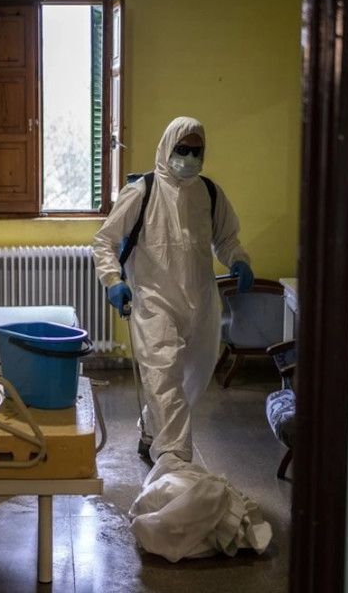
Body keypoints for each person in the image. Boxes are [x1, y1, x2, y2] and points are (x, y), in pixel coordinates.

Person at [92, 116, 253, 463]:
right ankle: (175, 463)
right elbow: (104, 240)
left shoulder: (209, 193)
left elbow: (226, 239)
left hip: (201, 303)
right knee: (163, 377)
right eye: (183, 149)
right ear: (167, 147)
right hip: (154, 302)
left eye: (197, 151)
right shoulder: (142, 192)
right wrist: (113, 281)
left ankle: (152, 431)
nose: (190, 158)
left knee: (187, 380)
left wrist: (238, 260)